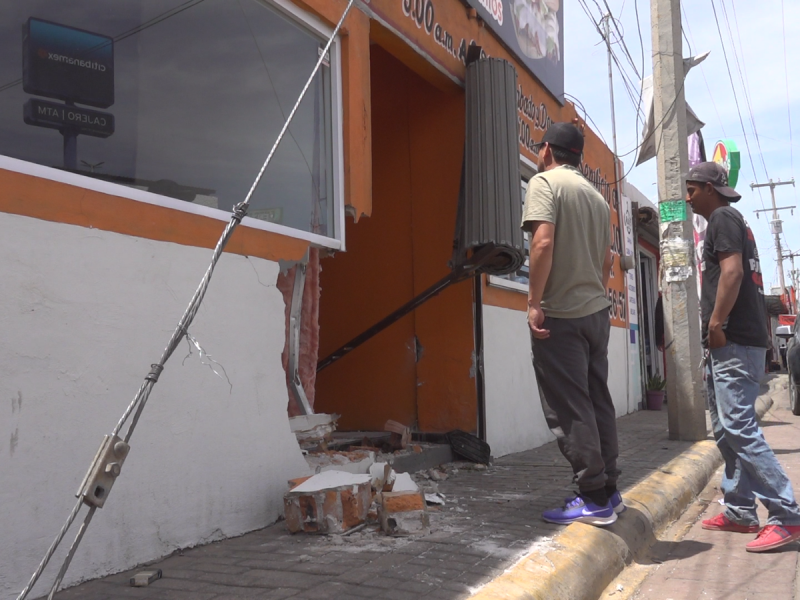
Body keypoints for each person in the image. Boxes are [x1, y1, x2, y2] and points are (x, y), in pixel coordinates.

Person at [687, 161, 800, 552]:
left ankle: (787, 515)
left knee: (739, 427)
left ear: (709, 189)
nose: (687, 197)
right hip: (729, 342)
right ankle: (739, 510)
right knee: (725, 429)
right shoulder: (728, 219)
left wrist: (717, 324)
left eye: (691, 189)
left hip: (732, 339)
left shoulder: (721, 217)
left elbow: (732, 273)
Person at [521, 122, 622, 527]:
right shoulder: (598, 199)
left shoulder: (545, 183)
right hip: (596, 312)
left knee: (570, 407)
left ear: (547, 151)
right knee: (598, 401)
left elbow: (542, 242)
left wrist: (533, 302)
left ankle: (592, 497)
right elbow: (607, 262)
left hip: (561, 314)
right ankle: (610, 492)